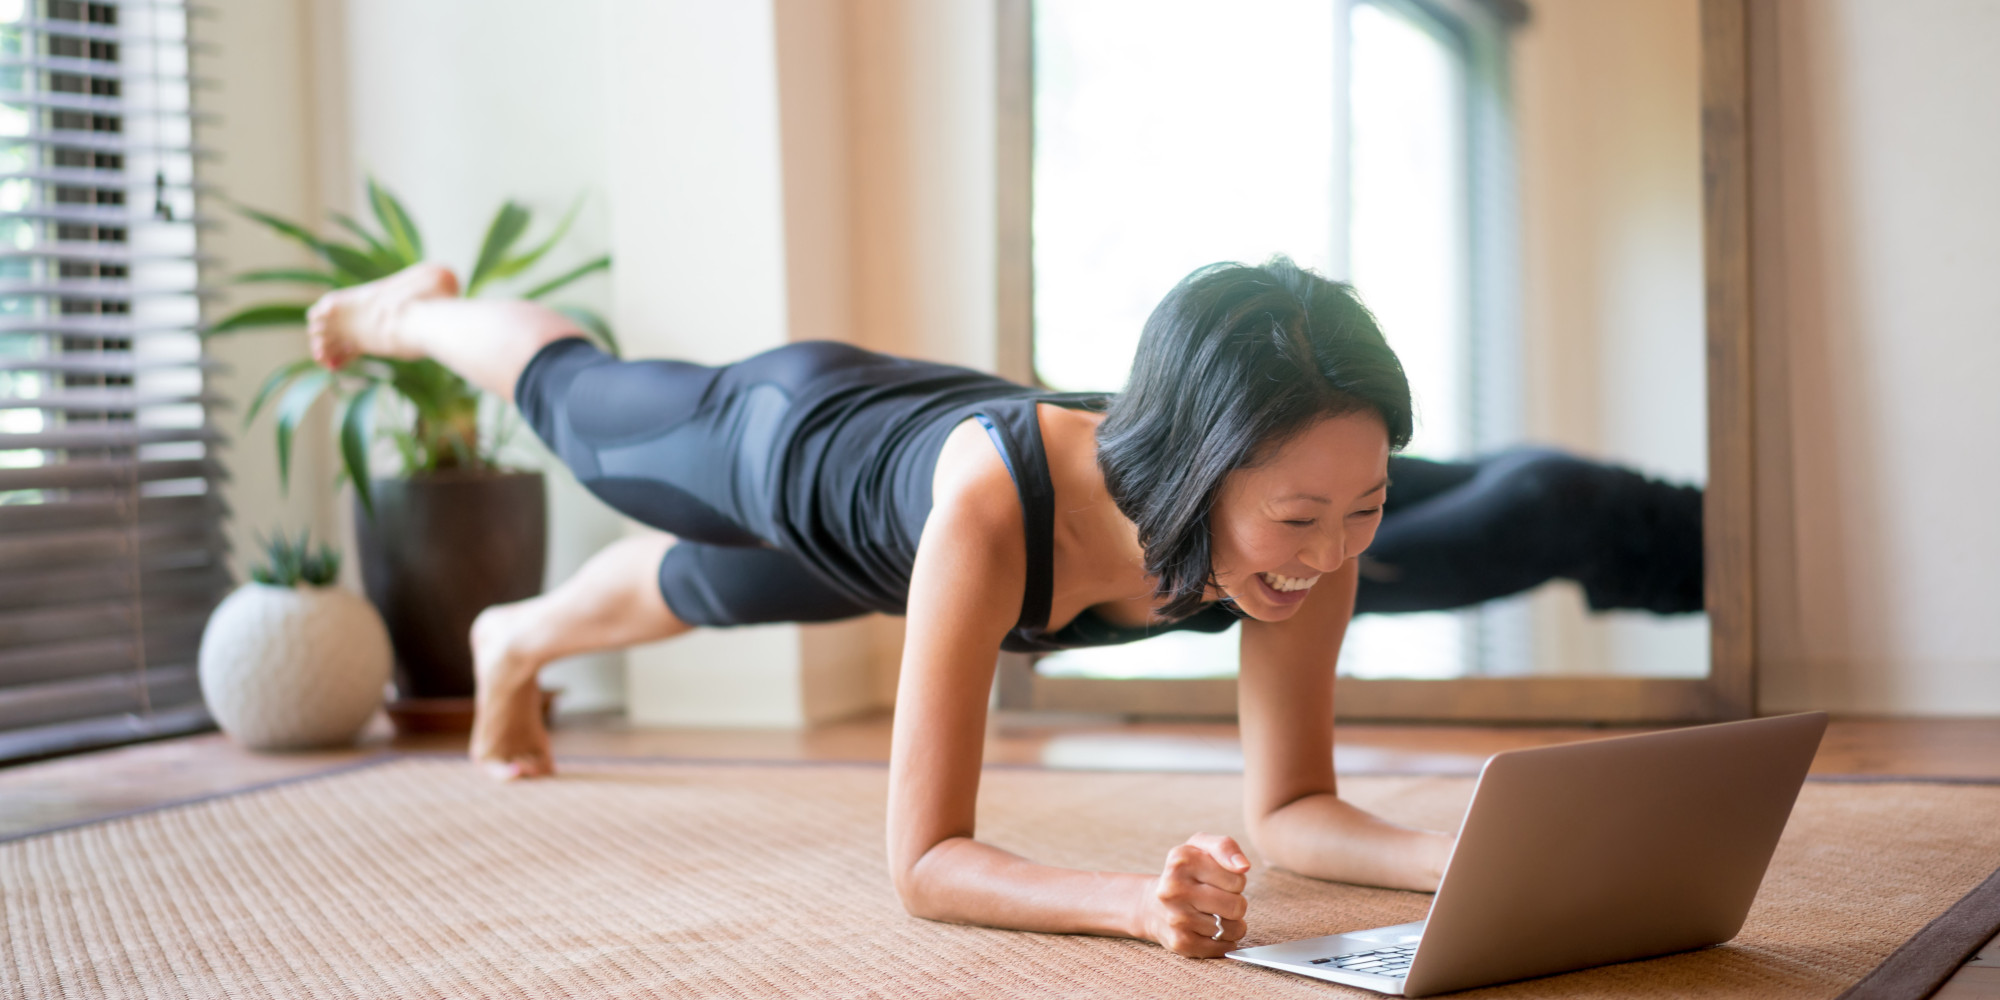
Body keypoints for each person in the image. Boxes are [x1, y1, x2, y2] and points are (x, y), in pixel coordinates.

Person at [302, 256, 1674, 959]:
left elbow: (1295, 808)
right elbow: (924, 864)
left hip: (898, 529)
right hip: (799, 440)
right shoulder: (986, 516)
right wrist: (1128, 903)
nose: (1332, 553)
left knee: (712, 588)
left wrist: (1482, 853)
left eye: (1365, 506)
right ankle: (410, 313)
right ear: (1194, 470)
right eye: (1301, 517)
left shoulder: (1308, 535)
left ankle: (513, 637)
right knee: (583, 410)